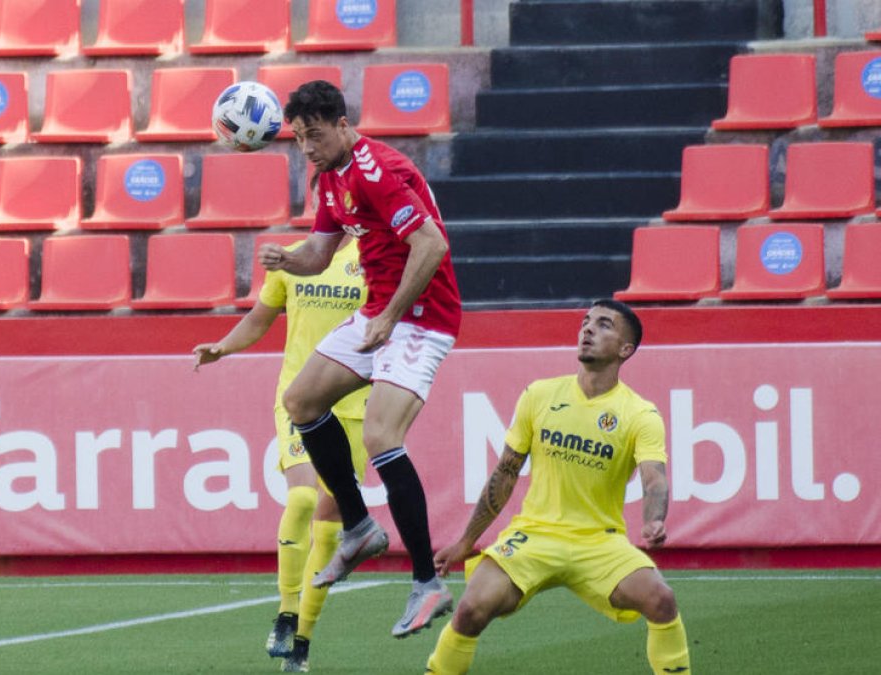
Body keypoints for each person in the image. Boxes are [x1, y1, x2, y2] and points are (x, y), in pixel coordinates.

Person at [258, 79, 463, 639]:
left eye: (315, 135)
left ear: (342, 125)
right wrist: (286, 259)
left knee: (379, 437)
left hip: (422, 318)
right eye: (299, 139)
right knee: (299, 400)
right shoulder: (329, 176)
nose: (307, 148)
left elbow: (431, 245)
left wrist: (390, 318)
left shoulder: (379, 170)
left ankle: (427, 583)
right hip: (380, 312)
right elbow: (321, 255)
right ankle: (358, 527)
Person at [424, 299, 692, 675]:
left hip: (599, 541)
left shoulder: (639, 413)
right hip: (534, 535)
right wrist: (466, 541)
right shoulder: (540, 394)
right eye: (585, 322)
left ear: (625, 349)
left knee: (661, 600)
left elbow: (655, 478)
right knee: (471, 609)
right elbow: (505, 473)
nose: (587, 330)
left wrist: (654, 519)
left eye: (603, 325)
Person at [194, 235, 370, 673]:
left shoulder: (375, 260)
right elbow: (259, 318)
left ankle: (303, 643)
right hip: (299, 397)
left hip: (355, 405)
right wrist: (223, 347)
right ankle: (287, 613)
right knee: (303, 498)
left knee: (330, 531)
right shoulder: (292, 257)